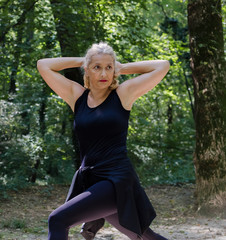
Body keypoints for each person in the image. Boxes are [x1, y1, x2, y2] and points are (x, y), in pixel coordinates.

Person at [37, 42, 170, 240]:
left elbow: (163, 65)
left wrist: (121, 66)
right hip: (92, 180)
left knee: (57, 220)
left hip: (115, 180)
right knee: (143, 236)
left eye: (108, 67)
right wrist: (84, 60)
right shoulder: (77, 97)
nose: (103, 74)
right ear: (87, 70)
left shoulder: (122, 95)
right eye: (97, 67)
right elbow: (43, 65)